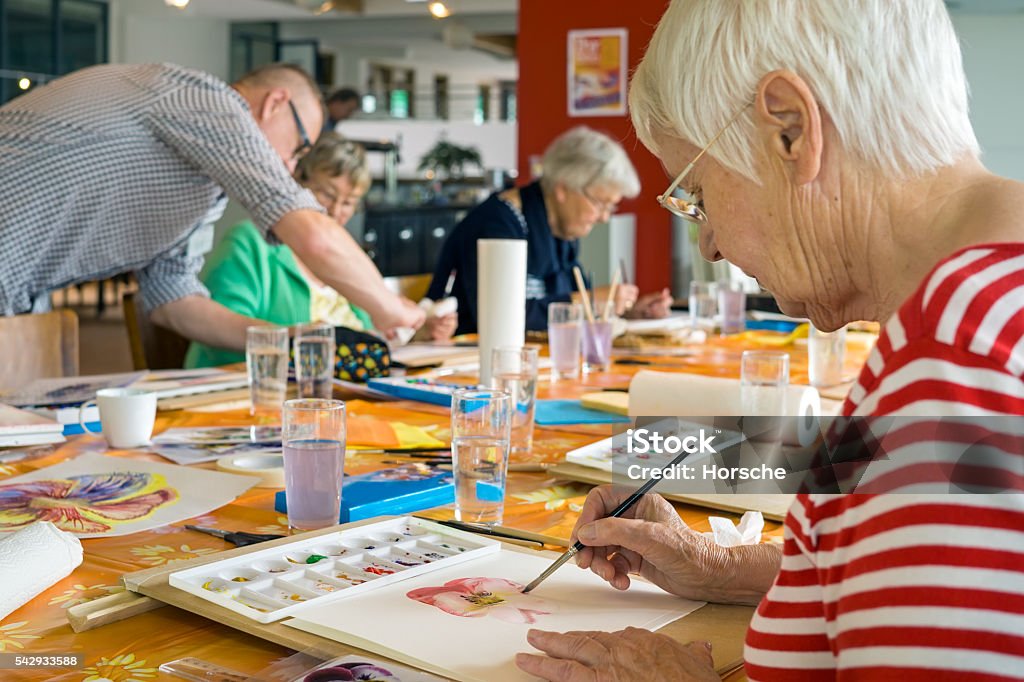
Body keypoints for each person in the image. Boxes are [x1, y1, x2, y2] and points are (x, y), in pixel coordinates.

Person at [515, 1, 1024, 680]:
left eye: (697, 193)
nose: (711, 243)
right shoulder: (981, 316)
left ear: (790, 129)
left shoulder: (954, 368)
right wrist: (721, 566)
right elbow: (904, 532)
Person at [0, 62, 423, 351]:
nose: (288, 166)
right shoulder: (209, 101)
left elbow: (174, 300)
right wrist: (390, 308)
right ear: (275, 104)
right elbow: (312, 235)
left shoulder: (201, 185)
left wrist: (287, 339)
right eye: (296, 148)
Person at [185, 133, 456, 368]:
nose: (336, 211)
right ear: (296, 183)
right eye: (325, 194)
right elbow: (216, 337)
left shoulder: (343, 257)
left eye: (349, 202)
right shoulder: (250, 242)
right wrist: (299, 337)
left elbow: (367, 334)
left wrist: (418, 335)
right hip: (250, 396)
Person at [426, 126, 672, 335]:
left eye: (612, 207)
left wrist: (629, 309)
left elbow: (573, 298)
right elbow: (499, 318)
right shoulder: (497, 224)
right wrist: (588, 303)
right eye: (600, 204)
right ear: (563, 189)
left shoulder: (561, 230)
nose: (605, 217)